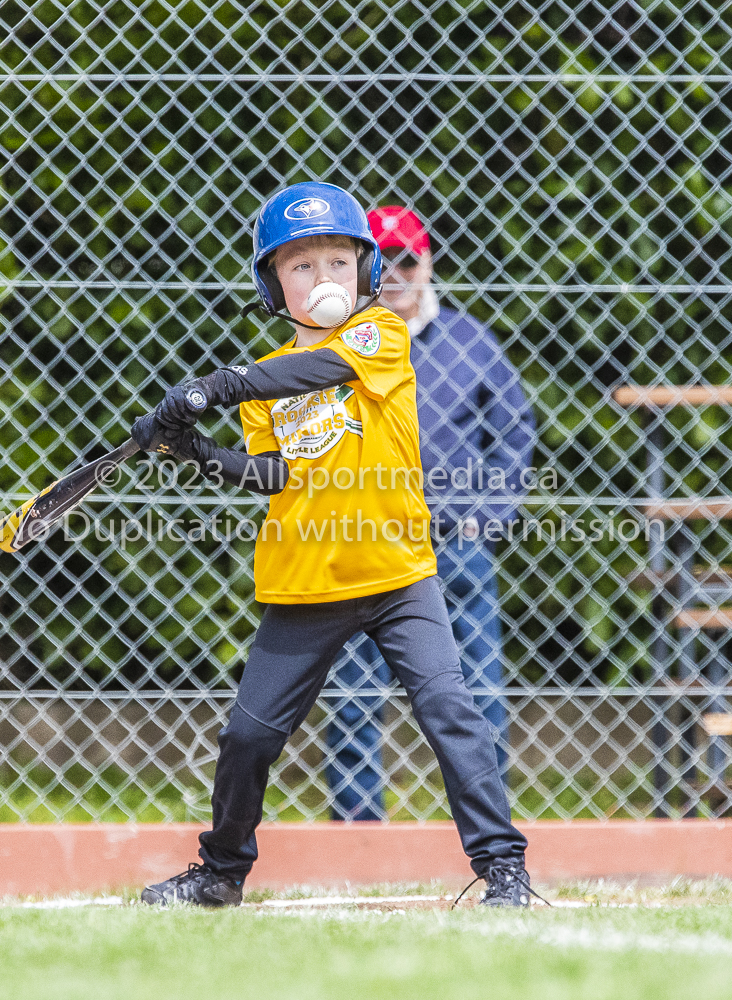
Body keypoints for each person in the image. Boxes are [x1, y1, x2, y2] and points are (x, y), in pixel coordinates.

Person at [130, 181, 535, 908]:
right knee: (247, 740)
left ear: (366, 273)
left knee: (451, 713)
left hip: (397, 574)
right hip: (307, 584)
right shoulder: (266, 379)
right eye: (300, 266)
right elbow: (274, 473)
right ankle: (221, 873)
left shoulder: (379, 336)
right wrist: (192, 451)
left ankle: (504, 868)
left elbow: (317, 369)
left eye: (337, 263)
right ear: (273, 283)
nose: (322, 281)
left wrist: (216, 387)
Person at [325, 205, 536, 820]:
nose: (394, 273)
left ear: (429, 261)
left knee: (476, 690)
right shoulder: (340, 346)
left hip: (455, 543)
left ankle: (484, 824)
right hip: (365, 539)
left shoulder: (471, 340)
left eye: (406, 259)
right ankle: (358, 829)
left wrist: (488, 514)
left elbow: (514, 430)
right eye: (379, 261)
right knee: (354, 692)